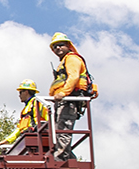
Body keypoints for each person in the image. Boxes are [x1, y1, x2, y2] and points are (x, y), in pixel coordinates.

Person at [47, 32, 96, 160]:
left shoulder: (72, 59)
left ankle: (61, 157)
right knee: (58, 129)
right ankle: (67, 156)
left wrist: (63, 93)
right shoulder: (64, 61)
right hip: (63, 100)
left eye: (61, 45)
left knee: (63, 129)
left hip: (69, 100)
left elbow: (73, 77)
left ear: (68, 45)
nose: (58, 48)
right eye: (55, 46)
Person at [8, 79, 52, 153]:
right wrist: (7, 140)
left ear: (26, 92)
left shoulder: (37, 104)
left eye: (20, 92)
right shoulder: (25, 110)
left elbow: (49, 119)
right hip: (27, 140)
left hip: (37, 140)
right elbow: (19, 129)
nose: (19, 95)